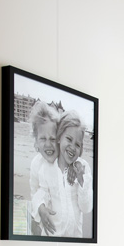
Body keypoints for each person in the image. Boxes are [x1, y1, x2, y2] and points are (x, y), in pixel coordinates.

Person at [32, 110, 93, 237]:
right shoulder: (47, 168)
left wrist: (81, 180)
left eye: (77, 144)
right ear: (59, 137)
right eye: (69, 139)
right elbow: (40, 193)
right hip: (53, 235)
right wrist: (41, 207)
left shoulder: (83, 168)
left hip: (75, 238)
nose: (72, 147)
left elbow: (86, 208)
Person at [27, 101, 60, 235]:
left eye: (53, 139)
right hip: (44, 217)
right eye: (42, 139)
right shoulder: (36, 163)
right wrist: (40, 207)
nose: (48, 144)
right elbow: (34, 192)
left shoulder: (63, 162)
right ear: (36, 142)